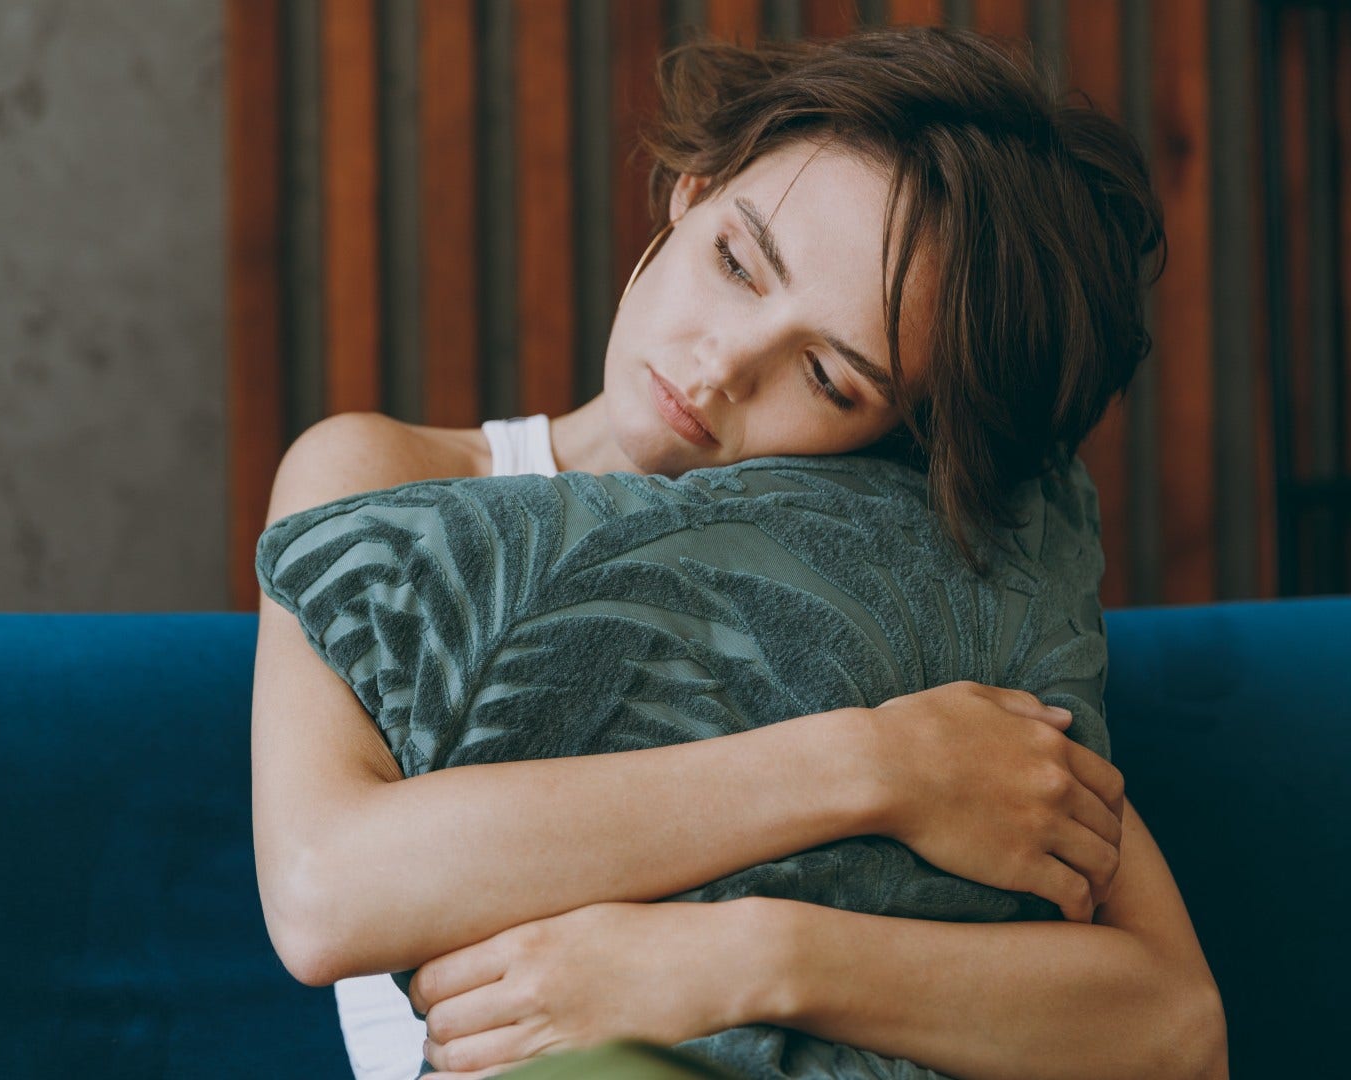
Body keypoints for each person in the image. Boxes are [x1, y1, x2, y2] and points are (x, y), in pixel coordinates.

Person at [252, 27, 1224, 1080]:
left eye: (829, 377)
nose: (721, 365)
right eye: (737, 263)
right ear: (690, 189)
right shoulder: (388, 479)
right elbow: (322, 892)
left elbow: (1176, 1028)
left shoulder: (909, 577)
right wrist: (873, 765)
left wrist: (748, 957)